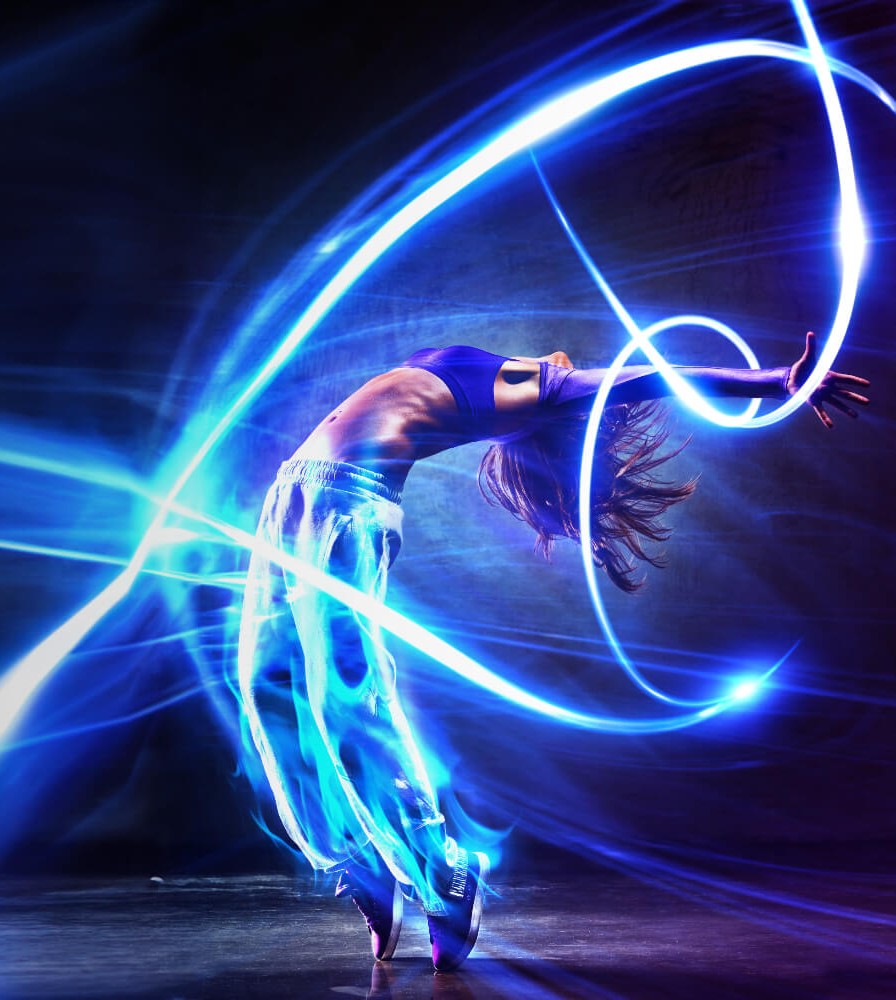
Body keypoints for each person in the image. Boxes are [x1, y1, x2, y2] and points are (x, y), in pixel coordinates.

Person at [236, 332, 868, 971]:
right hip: (289, 498)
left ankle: (444, 875)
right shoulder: (490, 378)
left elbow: (646, 376)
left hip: (345, 501)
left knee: (341, 700)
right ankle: (362, 864)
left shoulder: (544, 389)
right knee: (264, 689)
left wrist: (770, 382)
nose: (571, 360)